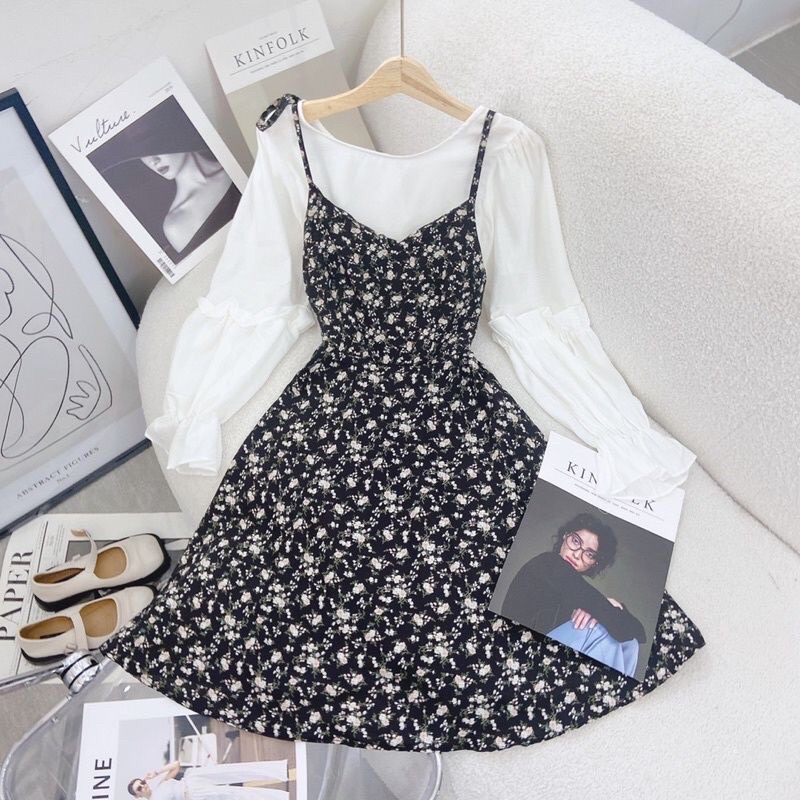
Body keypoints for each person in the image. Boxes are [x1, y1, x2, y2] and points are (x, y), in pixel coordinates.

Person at [501, 512, 645, 676]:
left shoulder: (575, 590)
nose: (577, 554)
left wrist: (611, 608)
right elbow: (623, 628)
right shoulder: (549, 564)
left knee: (631, 644)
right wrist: (606, 608)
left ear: (594, 563)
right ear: (565, 536)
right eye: (576, 541)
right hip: (515, 651)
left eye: (589, 554)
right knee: (598, 629)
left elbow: (638, 635)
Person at [127, 758, 290, 800]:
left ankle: (278, 770)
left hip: (192, 779)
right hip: (194, 796)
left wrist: (156, 773)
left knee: (232, 771)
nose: (144, 786)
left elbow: (176, 765)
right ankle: (279, 798)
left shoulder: (160, 785)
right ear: (137, 796)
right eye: (139, 788)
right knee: (233, 795)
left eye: (142, 782)